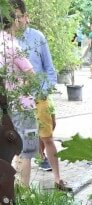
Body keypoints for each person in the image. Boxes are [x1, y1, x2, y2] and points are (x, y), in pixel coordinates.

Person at [11, 0, 71, 191]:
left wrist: (42, 92)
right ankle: (19, 189)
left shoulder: (37, 37)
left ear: (26, 16)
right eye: (12, 17)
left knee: (47, 139)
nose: (17, 21)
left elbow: (50, 70)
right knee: (18, 144)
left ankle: (58, 178)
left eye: (19, 16)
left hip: (39, 97)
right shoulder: (6, 40)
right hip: (18, 101)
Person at [1, 8, 37, 187]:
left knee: (8, 149)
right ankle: (24, 191)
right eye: (21, 17)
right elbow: (32, 75)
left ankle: (8, 190)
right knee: (25, 150)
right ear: (15, 19)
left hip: (5, 107)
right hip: (22, 105)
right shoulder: (12, 45)